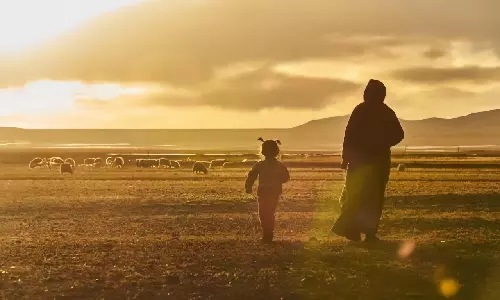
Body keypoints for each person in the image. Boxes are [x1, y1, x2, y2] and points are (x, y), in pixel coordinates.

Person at [332, 79, 404, 243]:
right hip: (375, 162)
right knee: (369, 198)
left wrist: (346, 157)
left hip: (362, 162)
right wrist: (384, 143)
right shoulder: (385, 111)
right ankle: (363, 232)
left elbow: (349, 136)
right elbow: (398, 135)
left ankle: (355, 230)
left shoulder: (362, 110)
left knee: (356, 196)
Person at [246, 138, 290, 243]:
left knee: (263, 213)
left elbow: (251, 176)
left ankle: (267, 234)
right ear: (276, 152)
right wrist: (277, 180)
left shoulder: (260, 165)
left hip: (263, 192)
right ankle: (269, 233)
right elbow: (286, 178)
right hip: (274, 192)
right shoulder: (279, 165)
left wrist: (248, 187)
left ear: (263, 152)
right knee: (270, 212)